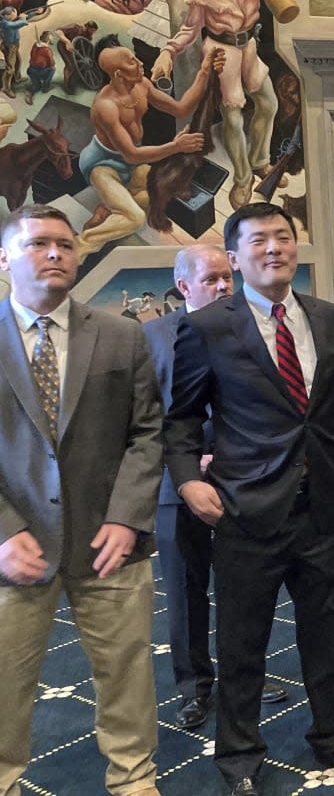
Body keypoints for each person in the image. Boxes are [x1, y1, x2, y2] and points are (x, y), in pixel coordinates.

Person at [165, 202, 334, 793]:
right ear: (235, 257)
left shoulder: (328, 317)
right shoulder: (206, 327)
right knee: (242, 644)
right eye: (258, 240)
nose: (274, 248)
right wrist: (188, 480)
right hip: (246, 510)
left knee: (328, 637)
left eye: (283, 237)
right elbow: (180, 420)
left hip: (325, 509)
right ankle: (239, 759)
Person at [0, 203, 163, 795]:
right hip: (14, 548)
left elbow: (147, 433)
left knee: (127, 674)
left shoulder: (122, 334)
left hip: (108, 542)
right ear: (4, 258)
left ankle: (134, 779)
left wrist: (127, 517)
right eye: (39, 243)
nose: (55, 254)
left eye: (66, 245)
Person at [144, 245, 288, 731]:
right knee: (185, 589)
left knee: (242, 586)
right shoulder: (150, 338)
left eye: (227, 277)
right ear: (184, 286)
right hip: (175, 486)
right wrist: (185, 463)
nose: (224, 286)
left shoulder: (251, 325)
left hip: (242, 480)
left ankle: (243, 674)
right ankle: (195, 687)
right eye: (212, 279)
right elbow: (148, 418)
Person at [150, 0, 298, 209]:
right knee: (231, 116)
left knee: (268, 103)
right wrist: (168, 51)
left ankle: (259, 162)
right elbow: (190, 29)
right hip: (221, 51)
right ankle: (243, 180)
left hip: (249, 47)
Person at [77, 45, 224, 262]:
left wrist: (203, 71)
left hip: (132, 163)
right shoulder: (105, 106)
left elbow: (181, 108)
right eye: (131, 61)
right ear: (118, 74)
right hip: (103, 166)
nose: (140, 63)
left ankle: (108, 209)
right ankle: (79, 246)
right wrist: (176, 146)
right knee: (135, 219)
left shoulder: (142, 85)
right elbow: (132, 155)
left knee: (159, 192)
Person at [54, 19, 98, 95]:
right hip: (63, 46)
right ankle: (66, 85)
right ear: (86, 26)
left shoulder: (88, 36)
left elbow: (86, 45)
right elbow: (58, 31)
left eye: (94, 31)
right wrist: (67, 42)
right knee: (70, 66)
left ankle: (75, 79)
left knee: (78, 65)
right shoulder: (74, 27)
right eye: (91, 30)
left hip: (76, 50)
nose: (92, 33)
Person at [24, 31, 54, 105]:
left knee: (36, 86)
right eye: (51, 38)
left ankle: (31, 90)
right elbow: (51, 63)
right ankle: (46, 87)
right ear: (49, 40)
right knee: (52, 69)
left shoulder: (35, 45)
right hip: (39, 71)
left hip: (31, 70)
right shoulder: (47, 50)